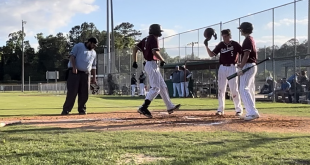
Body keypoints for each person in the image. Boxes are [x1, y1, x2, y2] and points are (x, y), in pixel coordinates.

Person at [132, 24, 181, 118]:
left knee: (163, 86)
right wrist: (162, 59)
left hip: (150, 64)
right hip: (151, 64)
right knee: (156, 88)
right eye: (159, 31)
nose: (160, 33)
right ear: (155, 31)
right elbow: (155, 52)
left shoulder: (146, 38)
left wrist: (135, 61)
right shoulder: (153, 38)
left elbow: (135, 48)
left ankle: (170, 106)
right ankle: (144, 107)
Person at [204, 29, 243, 116]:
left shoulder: (235, 44)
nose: (224, 38)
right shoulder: (221, 45)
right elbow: (212, 54)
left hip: (232, 67)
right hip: (222, 67)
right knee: (221, 89)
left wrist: (240, 63)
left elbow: (242, 53)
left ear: (229, 36)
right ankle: (220, 109)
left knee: (234, 89)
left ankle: (238, 109)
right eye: (223, 36)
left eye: (226, 36)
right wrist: (206, 46)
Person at [61, 37, 98, 115]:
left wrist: (94, 77)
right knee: (72, 92)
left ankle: (82, 109)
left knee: (85, 93)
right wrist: (74, 67)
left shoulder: (94, 53)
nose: (94, 47)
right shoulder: (79, 46)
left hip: (86, 74)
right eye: (93, 45)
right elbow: (72, 56)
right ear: (89, 42)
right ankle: (66, 110)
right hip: (74, 72)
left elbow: (94, 66)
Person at [236, 22, 260, 121]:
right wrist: (241, 65)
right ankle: (252, 111)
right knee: (248, 89)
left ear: (245, 29)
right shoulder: (251, 39)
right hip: (250, 65)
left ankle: (252, 112)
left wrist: (241, 66)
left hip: (248, 65)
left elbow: (246, 55)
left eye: (241, 29)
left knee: (243, 89)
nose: (240, 30)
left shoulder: (247, 40)